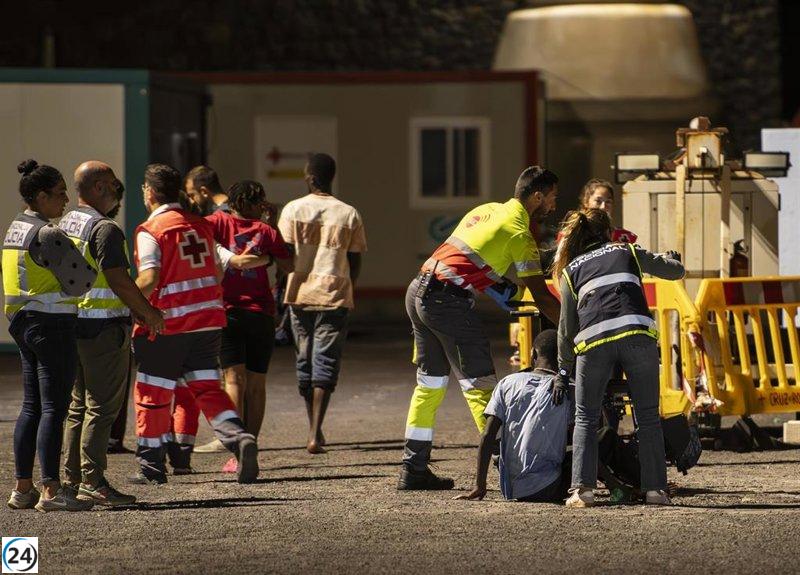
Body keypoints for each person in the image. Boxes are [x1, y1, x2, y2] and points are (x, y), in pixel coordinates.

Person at [398, 165, 562, 491]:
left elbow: (480, 269)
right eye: (553, 198)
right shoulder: (519, 232)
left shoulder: (487, 211)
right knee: (481, 387)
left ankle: (413, 467)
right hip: (447, 302)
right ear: (538, 196)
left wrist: (515, 295)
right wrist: (573, 332)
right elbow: (543, 296)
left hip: (418, 290)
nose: (555, 206)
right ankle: (509, 466)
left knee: (429, 385)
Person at [130, 163, 259, 484]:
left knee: (153, 393)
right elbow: (217, 270)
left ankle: (151, 467)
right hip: (208, 323)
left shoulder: (152, 230)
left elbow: (149, 276)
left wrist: (126, 301)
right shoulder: (201, 226)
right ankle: (239, 438)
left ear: (149, 192)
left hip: (168, 326)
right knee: (207, 389)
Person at [552, 208, 684, 508]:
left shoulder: (571, 270)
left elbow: (565, 329)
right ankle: (655, 492)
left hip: (594, 342)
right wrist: (674, 258)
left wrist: (563, 369)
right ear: (608, 232)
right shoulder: (627, 251)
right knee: (647, 416)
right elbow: (674, 271)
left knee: (585, 416)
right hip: (637, 336)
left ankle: (582, 492)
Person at [59, 162, 165, 506]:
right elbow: (118, 279)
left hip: (71, 325)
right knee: (102, 408)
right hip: (104, 329)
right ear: (101, 186)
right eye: (115, 186)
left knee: (77, 407)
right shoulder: (105, 229)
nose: (118, 192)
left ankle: (71, 479)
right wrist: (148, 312)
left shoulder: (66, 223)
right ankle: (93, 481)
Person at [178, 181, 292, 473]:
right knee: (257, 383)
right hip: (261, 312)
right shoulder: (266, 231)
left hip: (226, 309)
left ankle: (236, 444)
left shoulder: (216, 221)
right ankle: (250, 443)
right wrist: (264, 257)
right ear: (257, 203)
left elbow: (195, 234)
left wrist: (228, 259)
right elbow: (289, 264)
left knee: (233, 379)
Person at [4, 160, 97, 512]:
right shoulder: (48, 234)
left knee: (31, 407)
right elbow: (83, 279)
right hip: (52, 324)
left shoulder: (16, 228)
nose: (65, 202)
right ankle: (52, 491)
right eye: (59, 195)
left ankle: (22, 489)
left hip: (23, 324)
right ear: (41, 197)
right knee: (54, 409)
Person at [278, 153, 367, 454]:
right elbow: (355, 260)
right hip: (335, 294)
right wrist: (349, 286)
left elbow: (284, 255)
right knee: (326, 362)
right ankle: (316, 432)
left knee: (304, 360)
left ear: (309, 178)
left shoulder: (292, 210)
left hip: (299, 294)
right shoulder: (348, 213)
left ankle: (312, 427)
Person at [455, 330, 572, 502]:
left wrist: (479, 486)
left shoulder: (507, 383)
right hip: (549, 487)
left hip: (512, 489)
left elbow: (487, 435)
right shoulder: (568, 389)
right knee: (603, 439)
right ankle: (617, 487)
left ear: (533, 354)